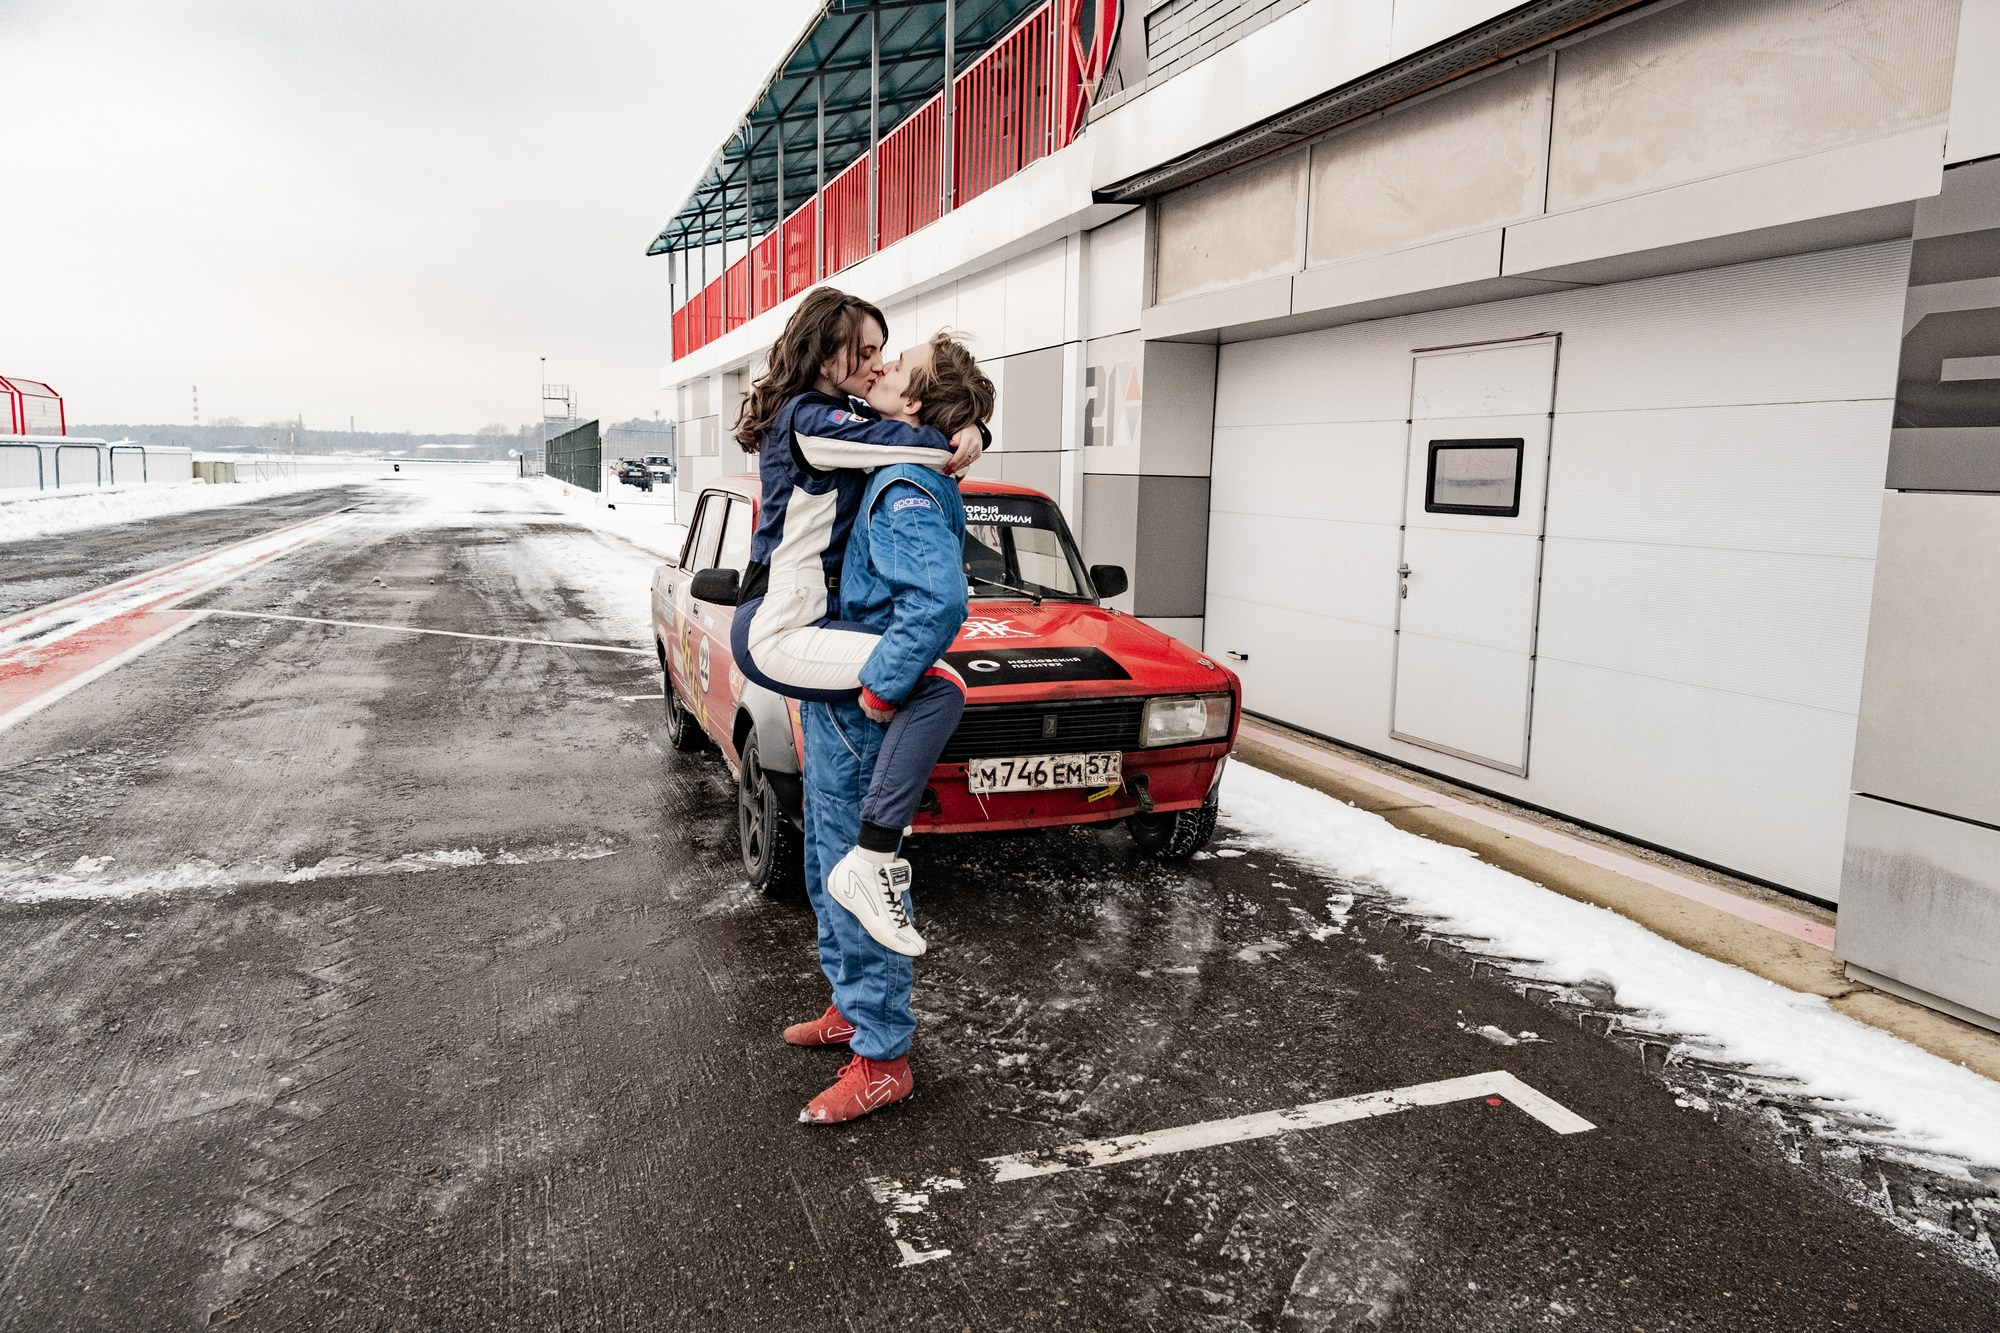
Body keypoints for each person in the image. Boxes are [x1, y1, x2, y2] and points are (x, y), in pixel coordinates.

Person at [728, 290, 984, 957]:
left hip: (813, 627)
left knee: (824, 833)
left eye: (883, 353)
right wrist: (962, 435)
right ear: (824, 353)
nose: (876, 365)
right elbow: (903, 436)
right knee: (939, 686)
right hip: (779, 626)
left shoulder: (843, 414)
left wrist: (972, 425)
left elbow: (908, 419)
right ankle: (873, 859)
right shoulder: (808, 418)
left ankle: (849, 978)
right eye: (864, 352)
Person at [786, 332, 994, 1125]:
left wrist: (882, 685)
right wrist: (969, 428)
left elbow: (939, 602)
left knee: (861, 885)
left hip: (858, 707)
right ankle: (851, 1010)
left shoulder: (902, 481)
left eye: (897, 363)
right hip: (830, 699)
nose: (881, 363)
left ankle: (882, 1059)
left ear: (910, 403)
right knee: (826, 869)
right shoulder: (889, 451)